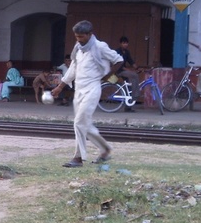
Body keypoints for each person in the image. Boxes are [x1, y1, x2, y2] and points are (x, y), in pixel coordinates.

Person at [51, 20, 123, 168]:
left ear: (90, 34)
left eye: (81, 37)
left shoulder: (100, 46)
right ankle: (105, 149)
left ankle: (78, 158)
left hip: (93, 88)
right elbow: (73, 69)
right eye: (76, 36)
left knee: (78, 122)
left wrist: (108, 76)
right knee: (85, 124)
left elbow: (119, 60)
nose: (78, 39)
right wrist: (60, 86)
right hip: (79, 89)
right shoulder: (78, 48)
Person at [115, 36, 141, 110]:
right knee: (134, 75)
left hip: (123, 71)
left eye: (126, 43)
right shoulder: (117, 52)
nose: (125, 45)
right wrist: (129, 70)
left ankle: (128, 107)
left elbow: (131, 61)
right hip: (118, 71)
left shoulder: (127, 52)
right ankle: (136, 95)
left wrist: (137, 68)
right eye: (124, 43)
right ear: (120, 44)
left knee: (129, 87)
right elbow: (119, 65)